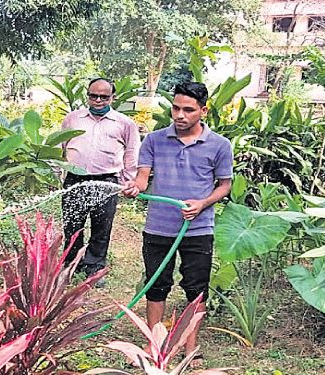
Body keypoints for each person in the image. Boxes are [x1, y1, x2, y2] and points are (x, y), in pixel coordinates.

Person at [122, 82, 233, 366]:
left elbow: (225, 186)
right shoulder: (155, 140)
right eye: (175, 108)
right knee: (156, 285)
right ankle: (154, 346)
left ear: (203, 111)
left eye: (188, 109)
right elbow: (143, 177)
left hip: (198, 229)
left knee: (196, 289)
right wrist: (135, 186)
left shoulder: (220, 145)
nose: (179, 115)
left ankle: (189, 348)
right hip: (158, 226)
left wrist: (202, 203)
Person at [61, 77, 140, 287]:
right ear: (87, 95)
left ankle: (94, 267)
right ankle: (70, 265)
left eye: (103, 96)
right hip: (75, 180)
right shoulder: (73, 118)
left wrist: (128, 182)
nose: (98, 100)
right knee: (72, 225)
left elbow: (131, 154)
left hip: (106, 181)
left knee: (102, 227)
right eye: (93, 95)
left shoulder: (125, 123)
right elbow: (62, 146)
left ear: (113, 97)